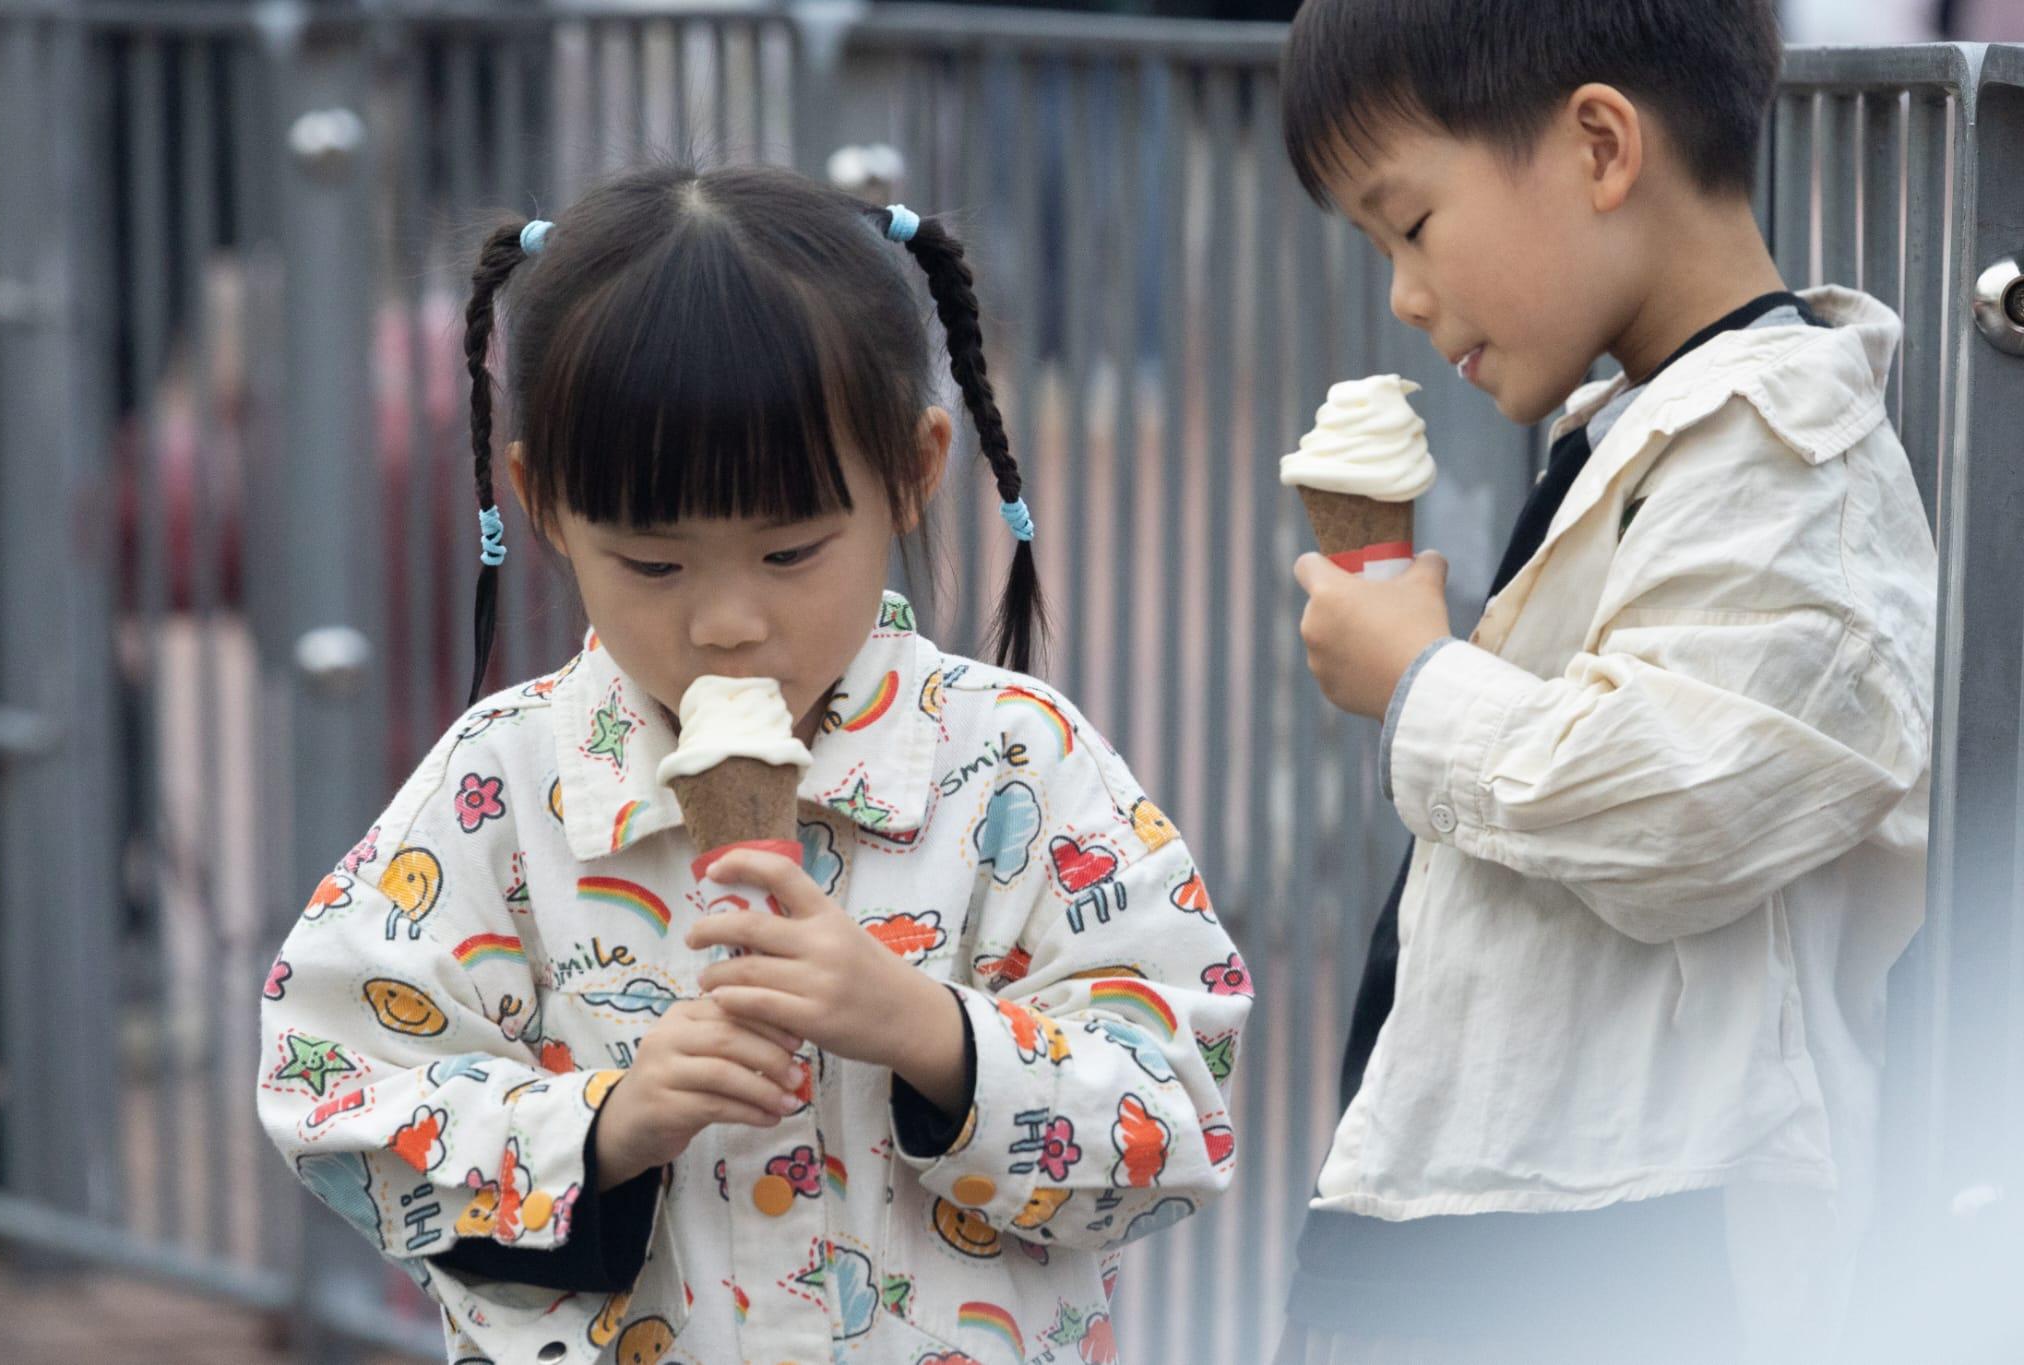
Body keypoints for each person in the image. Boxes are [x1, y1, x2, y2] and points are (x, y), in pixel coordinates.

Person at [255, 162, 1250, 1365]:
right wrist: (606, 1126)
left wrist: (930, 1033)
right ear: (545, 505)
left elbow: (1184, 1116)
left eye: (788, 553)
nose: (726, 622)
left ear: (914, 468)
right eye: (655, 566)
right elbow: (332, 1097)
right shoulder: (501, 790)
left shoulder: (1013, 767)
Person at [1272, 1, 1936, 1360]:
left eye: (1410, 224)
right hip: (1507, 1200)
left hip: (1623, 1240)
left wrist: (1418, 685)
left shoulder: (1787, 456)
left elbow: (1684, 804)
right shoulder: (1660, 425)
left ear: (1597, 146)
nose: (1405, 291)